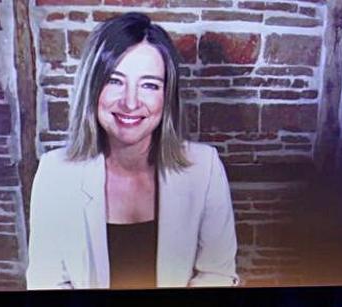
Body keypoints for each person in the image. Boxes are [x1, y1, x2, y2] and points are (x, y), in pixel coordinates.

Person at [26, 12, 238, 290]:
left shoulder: (205, 168)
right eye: (115, 81)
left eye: (149, 85)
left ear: (167, 96)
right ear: (93, 87)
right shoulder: (55, 174)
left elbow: (217, 277)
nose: (130, 102)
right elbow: (47, 286)